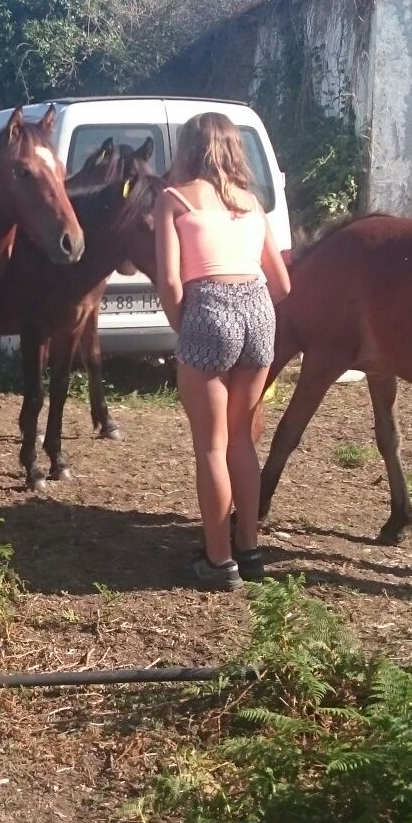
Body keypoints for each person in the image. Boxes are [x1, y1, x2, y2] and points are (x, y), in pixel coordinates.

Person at [153, 113, 291, 591]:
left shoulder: (172, 200)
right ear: (235, 149)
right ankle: (249, 548)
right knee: (242, 441)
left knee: (211, 446)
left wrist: (186, 325)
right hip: (258, 308)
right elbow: (283, 282)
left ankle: (217, 561)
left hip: (207, 308)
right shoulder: (252, 203)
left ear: (188, 148)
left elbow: (170, 281)